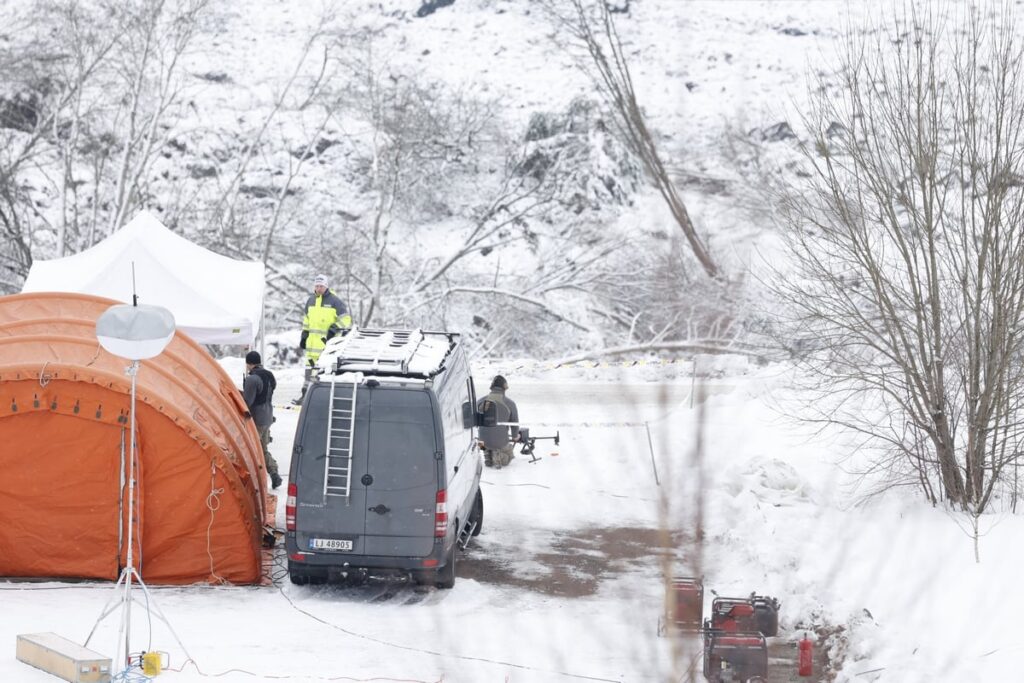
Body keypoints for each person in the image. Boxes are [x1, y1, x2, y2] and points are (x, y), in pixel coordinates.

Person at [298, 274, 352, 396]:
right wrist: (304, 334)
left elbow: (346, 319)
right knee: (308, 370)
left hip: (327, 344)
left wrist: (334, 328)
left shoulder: (335, 301)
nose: (319, 288)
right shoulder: (310, 301)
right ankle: (305, 395)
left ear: (326, 286)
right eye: (317, 286)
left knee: (322, 371)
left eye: (321, 286)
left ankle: (319, 396)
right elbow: (306, 320)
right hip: (312, 344)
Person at [243, 351, 282, 489]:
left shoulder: (252, 379)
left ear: (249, 363)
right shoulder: (269, 375)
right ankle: (274, 473)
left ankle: (251, 480)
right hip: (268, 417)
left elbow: (247, 401)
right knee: (262, 448)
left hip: (256, 419)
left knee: (250, 450)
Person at [477, 375, 520, 469]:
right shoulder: (509, 403)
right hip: (499, 442)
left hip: (481, 442)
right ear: (504, 387)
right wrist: (515, 436)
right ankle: (498, 456)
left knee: (483, 440)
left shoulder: (480, 401)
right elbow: (514, 423)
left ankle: (487, 453)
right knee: (510, 456)